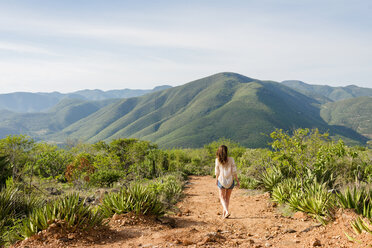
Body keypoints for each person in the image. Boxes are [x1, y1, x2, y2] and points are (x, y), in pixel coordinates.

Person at [215, 145, 240, 218]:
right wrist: (237, 181)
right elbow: (234, 171)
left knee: (221, 197)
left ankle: (226, 211)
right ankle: (225, 213)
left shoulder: (217, 160)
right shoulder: (231, 159)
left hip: (221, 180)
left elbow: (217, 172)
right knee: (227, 197)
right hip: (230, 180)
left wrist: (216, 180)